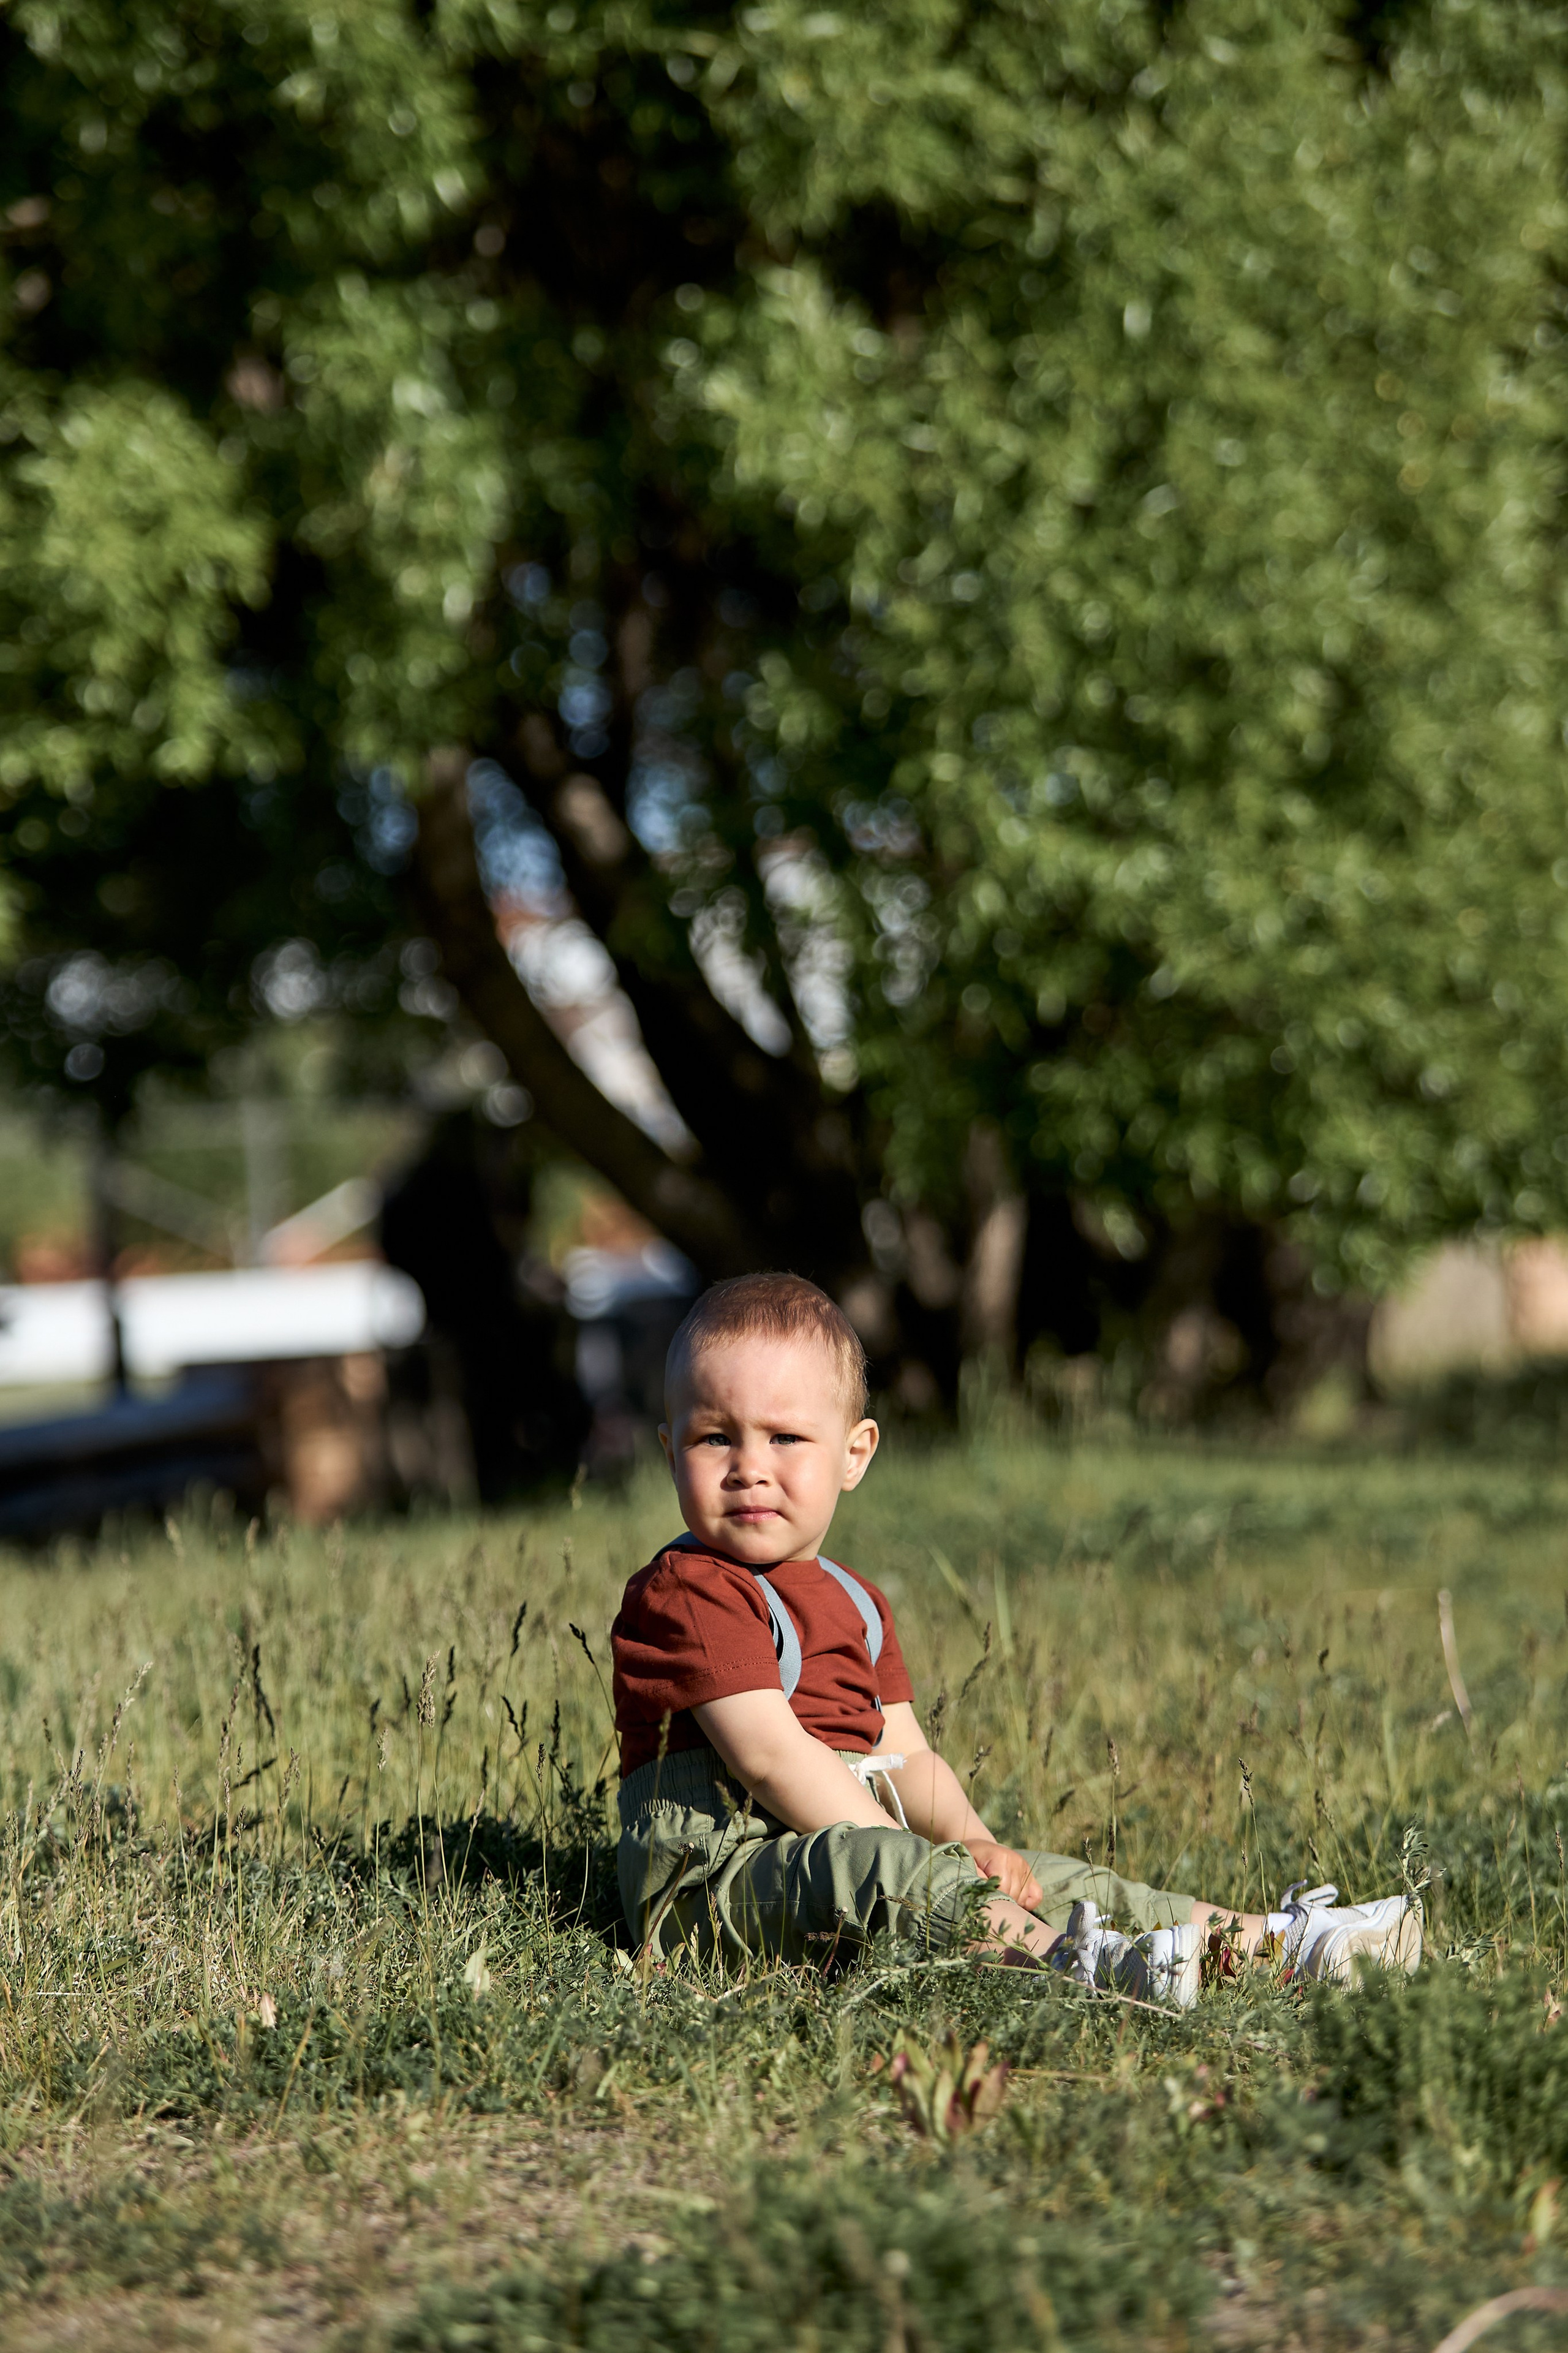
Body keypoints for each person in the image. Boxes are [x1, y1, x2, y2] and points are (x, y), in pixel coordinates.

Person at [609, 1273, 1423, 2003]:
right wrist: (920, 1856)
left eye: (784, 1437)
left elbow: (909, 1757)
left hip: (843, 1859)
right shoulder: (690, 1590)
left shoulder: (856, 1602)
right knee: (891, 1867)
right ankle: (1083, 1968)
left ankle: (1276, 1943)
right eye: (715, 1436)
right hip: (715, 1889)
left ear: (854, 1454)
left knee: (1056, 1877)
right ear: (670, 1448)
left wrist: (974, 1845)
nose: (749, 1465)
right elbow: (771, 1760)